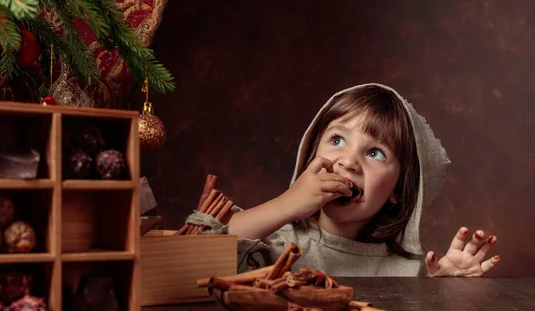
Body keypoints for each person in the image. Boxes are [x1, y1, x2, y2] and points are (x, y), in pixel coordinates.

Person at [189, 83, 501, 277]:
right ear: (311, 157)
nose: (349, 161)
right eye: (337, 140)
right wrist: (287, 204)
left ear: (398, 191)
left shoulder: (410, 271)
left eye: (376, 153)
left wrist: (443, 289)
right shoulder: (275, 242)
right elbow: (198, 253)